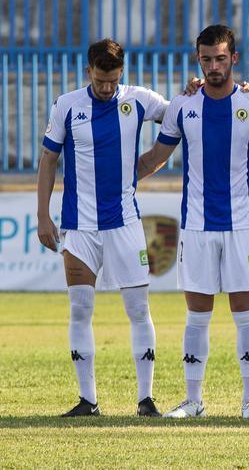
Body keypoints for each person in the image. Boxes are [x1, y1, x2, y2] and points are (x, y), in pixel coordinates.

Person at [136, 25, 249, 419]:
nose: (214, 66)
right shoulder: (183, 106)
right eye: (207, 59)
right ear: (198, 60)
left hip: (244, 227)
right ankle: (193, 399)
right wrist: (115, 179)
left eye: (221, 58)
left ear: (234, 58)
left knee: (246, 313)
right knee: (197, 314)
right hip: (197, 227)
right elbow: (155, 158)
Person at [37, 38, 169, 417]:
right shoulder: (67, 105)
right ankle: (87, 400)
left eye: (113, 81)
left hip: (125, 224)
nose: (107, 88)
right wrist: (43, 215)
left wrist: (152, 161)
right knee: (80, 309)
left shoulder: (139, 99)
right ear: (88, 72)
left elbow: (179, 117)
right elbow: (48, 160)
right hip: (78, 227)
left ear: (121, 73)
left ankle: (146, 399)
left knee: (138, 309)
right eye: (100, 82)